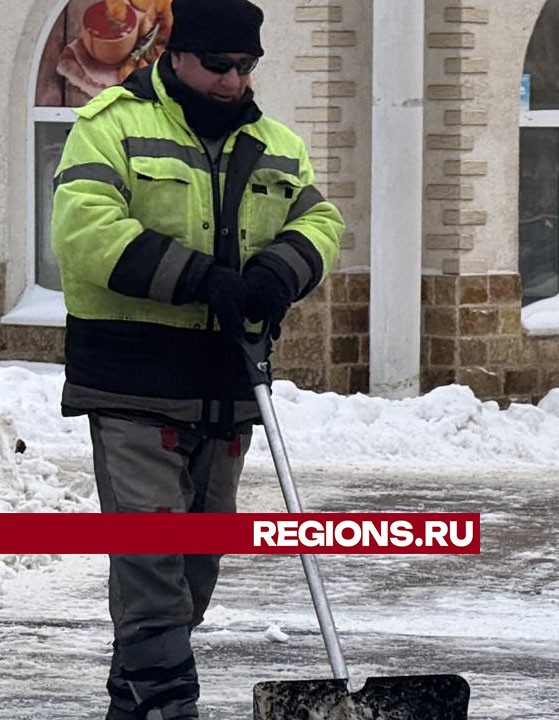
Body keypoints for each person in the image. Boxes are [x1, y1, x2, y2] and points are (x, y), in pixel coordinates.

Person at [51, 0, 344, 717]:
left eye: (245, 67)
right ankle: (168, 704)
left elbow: (321, 219)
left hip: (227, 386)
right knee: (152, 561)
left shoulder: (277, 145)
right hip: (133, 384)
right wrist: (197, 277)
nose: (231, 81)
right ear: (178, 57)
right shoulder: (111, 126)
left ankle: (135, 699)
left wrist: (281, 268)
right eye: (218, 65)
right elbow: (83, 228)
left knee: (196, 566)